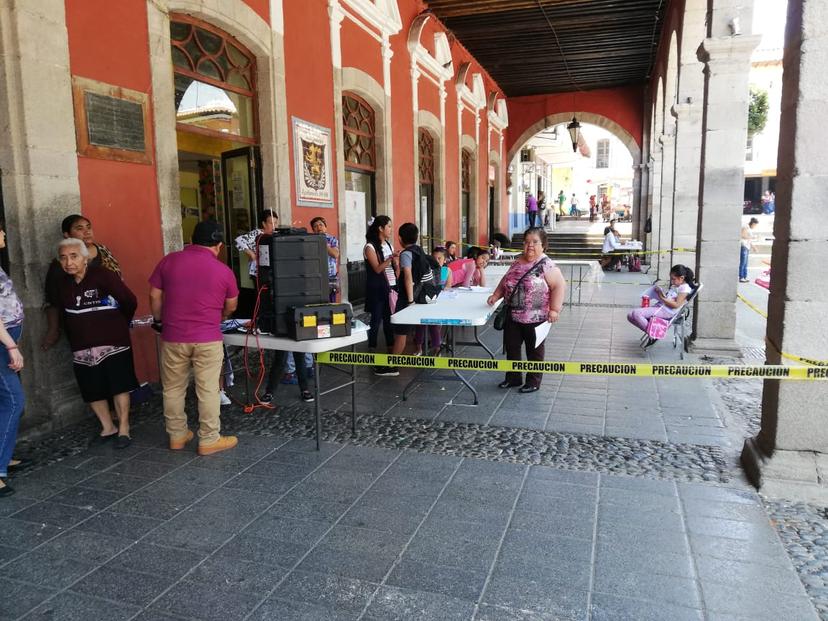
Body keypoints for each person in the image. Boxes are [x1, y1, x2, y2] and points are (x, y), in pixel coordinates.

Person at [149, 220, 239, 456]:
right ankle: (209, 439)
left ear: (191, 239)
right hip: (207, 337)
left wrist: (158, 321)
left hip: (173, 336)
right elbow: (231, 306)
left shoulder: (169, 260)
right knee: (208, 389)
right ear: (218, 245)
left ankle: (177, 436)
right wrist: (218, 316)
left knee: (173, 388)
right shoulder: (224, 271)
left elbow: (154, 295)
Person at [56, 238, 138, 448]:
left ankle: (124, 429)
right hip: (82, 345)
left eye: (74, 256)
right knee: (92, 388)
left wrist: (120, 323)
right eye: (63, 258)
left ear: (85, 258)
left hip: (113, 342)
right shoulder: (63, 284)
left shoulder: (103, 276)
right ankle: (107, 426)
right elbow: (64, 315)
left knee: (119, 385)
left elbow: (129, 301)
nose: (68, 262)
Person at [488, 227, 565, 393]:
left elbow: (559, 286)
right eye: (527, 242)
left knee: (534, 351)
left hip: (537, 318)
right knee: (512, 348)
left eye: (535, 242)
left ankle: (533, 382)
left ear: (543, 245)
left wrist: (554, 310)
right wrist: (496, 295)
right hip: (513, 316)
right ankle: (513, 378)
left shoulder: (546, 265)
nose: (530, 245)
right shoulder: (517, 261)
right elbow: (505, 280)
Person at [42, 214, 121, 350]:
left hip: (111, 319)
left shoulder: (104, 251)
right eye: (80, 228)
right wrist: (53, 329)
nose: (87, 231)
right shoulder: (60, 264)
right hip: (81, 324)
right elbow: (52, 298)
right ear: (67, 235)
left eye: (89, 227)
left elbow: (121, 287)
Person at [0, 224, 25, 497]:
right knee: (14, 400)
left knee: (6, 401)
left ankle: (5, 457)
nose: (4, 234)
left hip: (5, 342)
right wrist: (11, 345)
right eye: (0, 231)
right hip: (2, 344)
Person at [388, 222, 435, 364]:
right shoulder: (419, 250)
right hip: (424, 294)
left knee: (401, 331)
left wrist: (409, 301)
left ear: (401, 238)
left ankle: (392, 365)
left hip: (409, 296)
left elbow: (408, 277)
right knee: (406, 330)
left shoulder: (406, 254)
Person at [628, 264, 697, 347]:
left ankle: (654, 334)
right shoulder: (680, 286)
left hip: (667, 311)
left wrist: (661, 296)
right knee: (630, 316)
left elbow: (676, 305)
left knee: (636, 313)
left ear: (681, 278)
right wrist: (661, 293)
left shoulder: (684, 288)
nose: (671, 281)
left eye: (673, 279)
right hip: (663, 307)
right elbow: (672, 299)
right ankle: (653, 332)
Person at [364, 216, 399, 376]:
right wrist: (390, 258)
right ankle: (371, 348)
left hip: (390, 286)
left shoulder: (389, 245)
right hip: (377, 287)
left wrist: (396, 262)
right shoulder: (369, 247)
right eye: (389, 226)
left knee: (389, 319)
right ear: (380, 228)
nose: (391, 229)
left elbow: (392, 268)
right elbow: (377, 269)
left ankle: (391, 348)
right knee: (376, 319)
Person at [413, 246, 452, 356]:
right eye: (434, 258)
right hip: (425, 300)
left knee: (434, 325)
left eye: (439, 258)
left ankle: (437, 348)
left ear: (445, 260)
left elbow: (448, 286)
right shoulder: (426, 270)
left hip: (439, 302)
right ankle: (418, 348)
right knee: (420, 325)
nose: (436, 261)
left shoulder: (446, 271)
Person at [234, 209, 278, 283]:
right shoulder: (257, 233)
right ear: (264, 224)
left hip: (272, 270)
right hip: (259, 271)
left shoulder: (276, 234)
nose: (274, 226)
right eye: (271, 223)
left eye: (276, 223)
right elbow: (239, 240)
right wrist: (251, 253)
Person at [311, 216, 340, 302]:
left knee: (331, 302)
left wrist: (323, 242)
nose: (318, 227)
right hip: (316, 277)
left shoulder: (332, 239)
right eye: (315, 226)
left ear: (325, 227)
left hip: (330, 277)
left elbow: (335, 254)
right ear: (313, 230)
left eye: (321, 225)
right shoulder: (310, 240)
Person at [740, 217, 759, 282]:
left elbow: (749, 240)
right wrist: (752, 237)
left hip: (747, 246)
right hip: (744, 246)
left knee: (745, 263)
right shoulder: (746, 227)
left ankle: (744, 276)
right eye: (755, 225)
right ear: (753, 223)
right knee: (743, 263)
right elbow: (742, 235)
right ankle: (741, 277)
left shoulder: (749, 228)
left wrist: (754, 247)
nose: (755, 227)